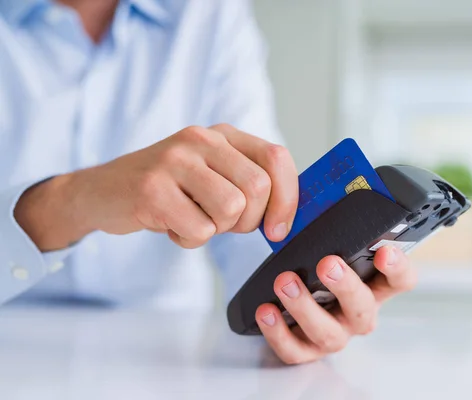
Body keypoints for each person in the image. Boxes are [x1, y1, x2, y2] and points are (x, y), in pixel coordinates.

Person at [0, 0, 416, 364]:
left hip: (171, 356)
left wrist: (294, 310)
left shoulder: (210, 15)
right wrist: (73, 200)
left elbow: (254, 222)